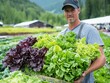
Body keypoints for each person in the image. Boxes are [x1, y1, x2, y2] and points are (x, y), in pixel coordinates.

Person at [59, 0, 106, 83]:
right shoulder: (61, 34)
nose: (69, 13)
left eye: (72, 10)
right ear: (64, 13)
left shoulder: (90, 30)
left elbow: (101, 59)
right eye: (67, 11)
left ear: (78, 10)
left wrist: (84, 73)